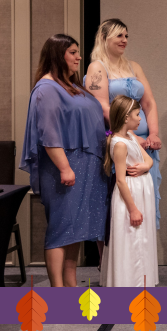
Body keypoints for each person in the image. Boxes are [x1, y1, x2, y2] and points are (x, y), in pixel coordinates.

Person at [20, 34, 108, 287]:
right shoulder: (47, 89)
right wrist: (65, 168)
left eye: (78, 52)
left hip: (87, 165)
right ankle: (57, 291)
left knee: (75, 229)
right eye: (72, 52)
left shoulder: (72, 85)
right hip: (66, 167)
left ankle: (70, 286)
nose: (79, 57)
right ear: (57, 55)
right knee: (62, 229)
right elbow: (48, 134)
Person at [85, 18, 163, 264]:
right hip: (118, 141)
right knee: (116, 200)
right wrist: (130, 137)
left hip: (143, 144)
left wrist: (153, 134)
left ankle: (139, 261)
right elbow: (102, 106)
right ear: (105, 38)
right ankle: (110, 265)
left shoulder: (134, 66)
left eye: (126, 36)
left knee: (142, 196)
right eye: (119, 35)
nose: (124, 40)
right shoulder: (97, 68)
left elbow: (149, 103)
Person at [100, 95, 159, 287]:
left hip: (142, 192)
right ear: (126, 117)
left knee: (141, 238)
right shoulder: (120, 144)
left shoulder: (131, 137)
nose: (141, 118)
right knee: (131, 237)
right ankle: (128, 283)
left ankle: (142, 282)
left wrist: (144, 167)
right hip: (131, 196)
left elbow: (148, 160)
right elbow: (121, 180)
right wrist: (132, 209)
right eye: (137, 114)